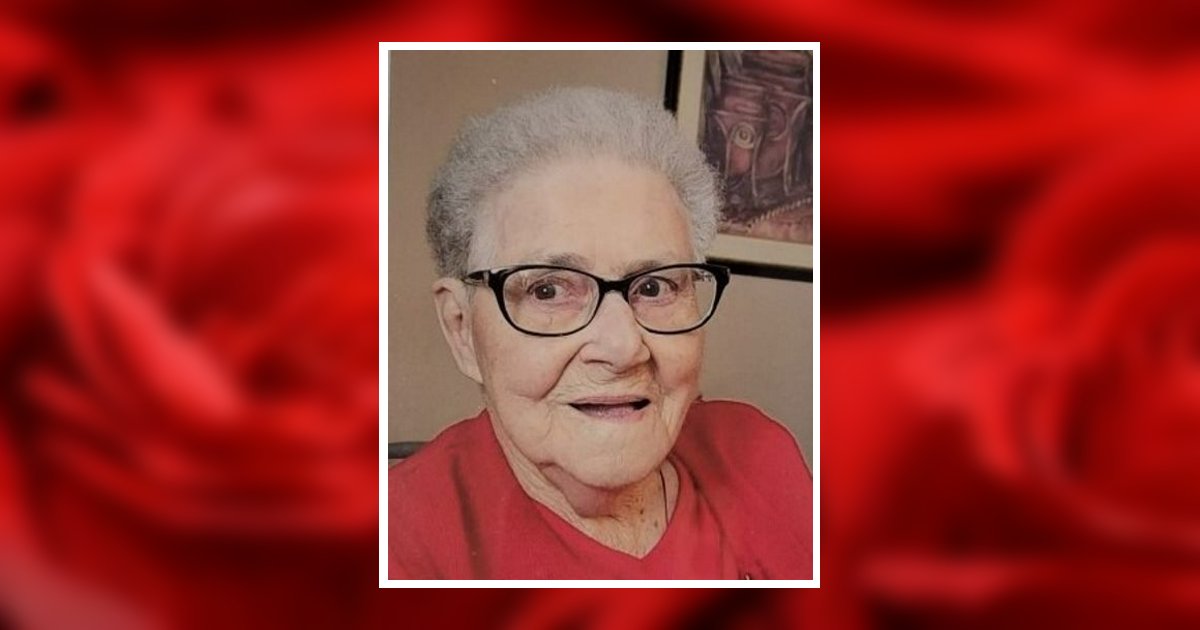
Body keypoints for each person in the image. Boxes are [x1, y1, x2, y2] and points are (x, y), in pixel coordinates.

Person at [389, 87, 812, 579]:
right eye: (548, 290)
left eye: (654, 286)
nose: (623, 347)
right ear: (461, 328)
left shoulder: (757, 451)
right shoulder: (401, 543)